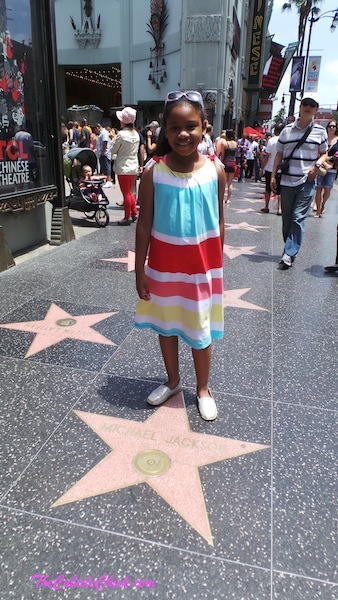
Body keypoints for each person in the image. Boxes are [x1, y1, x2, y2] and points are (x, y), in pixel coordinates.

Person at [134, 90, 225, 421]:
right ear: (165, 132)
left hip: (201, 269)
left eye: (191, 126)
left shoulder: (215, 170)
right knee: (167, 325)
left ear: (204, 127)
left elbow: (218, 222)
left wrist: (217, 268)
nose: (183, 134)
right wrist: (139, 270)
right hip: (163, 267)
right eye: (175, 128)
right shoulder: (153, 172)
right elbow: (144, 225)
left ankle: (203, 388)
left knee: (200, 330)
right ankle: (173, 381)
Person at [271, 92, 327, 269]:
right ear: (300, 106)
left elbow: (325, 153)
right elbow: (279, 154)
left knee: (298, 218)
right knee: (287, 219)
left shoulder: (320, 131)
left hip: (307, 181)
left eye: (312, 104)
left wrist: (316, 166)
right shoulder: (287, 130)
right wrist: (273, 175)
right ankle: (290, 248)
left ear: (316, 109)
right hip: (287, 181)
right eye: (305, 103)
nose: (308, 107)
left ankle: (289, 253)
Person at [111, 106, 140, 225]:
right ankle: (133, 213)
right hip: (133, 165)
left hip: (123, 166)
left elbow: (113, 150)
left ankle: (127, 217)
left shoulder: (121, 134)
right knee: (129, 192)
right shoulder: (136, 134)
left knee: (126, 193)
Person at [314, 120, 338, 217]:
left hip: (332, 168)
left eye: (333, 126)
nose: (331, 128)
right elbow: (317, 151)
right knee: (318, 188)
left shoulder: (337, 140)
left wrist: (330, 160)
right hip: (321, 165)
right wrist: (323, 161)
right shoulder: (323, 138)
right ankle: (318, 210)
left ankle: (323, 204)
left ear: (336, 128)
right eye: (330, 126)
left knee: (327, 189)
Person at [259, 122, 284, 214]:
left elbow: (267, 156)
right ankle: (279, 208)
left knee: (268, 188)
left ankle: (266, 206)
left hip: (269, 168)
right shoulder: (285, 140)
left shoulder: (271, 140)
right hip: (281, 168)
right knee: (280, 190)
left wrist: (262, 168)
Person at [219, 129, 237, 203]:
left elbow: (222, 155)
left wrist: (220, 163)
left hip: (226, 162)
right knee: (230, 183)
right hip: (233, 162)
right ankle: (228, 199)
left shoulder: (225, 144)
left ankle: (222, 199)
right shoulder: (235, 143)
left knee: (223, 182)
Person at [95, 123, 113, 188]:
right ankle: (105, 181)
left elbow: (105, 142)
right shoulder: (102, 133)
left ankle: (109, 181)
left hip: (105, 153)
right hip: (102, 153)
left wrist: (103, 151)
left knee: (106, 167)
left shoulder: (104, 133)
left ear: (97, 127)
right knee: (103, 167)